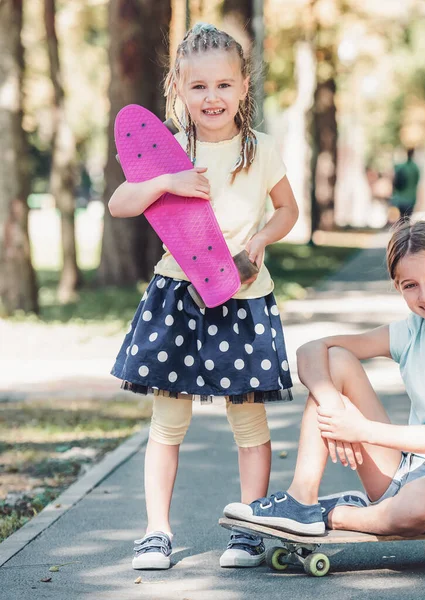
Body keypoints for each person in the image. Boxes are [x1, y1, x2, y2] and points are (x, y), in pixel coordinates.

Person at [108, 23, 299, 569]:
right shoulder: (169, 149)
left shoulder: (260, 150)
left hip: (242, 297)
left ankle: (249, 526)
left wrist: (260, 241)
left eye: (222, 85)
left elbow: (288, 210)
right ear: (177, 89)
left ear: (243, 87)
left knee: (249, 419)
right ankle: (156, 532)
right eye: (198, 88)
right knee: (168, 421)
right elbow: (122, 202)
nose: (211, 97)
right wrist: (167, 184)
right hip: (178, 298)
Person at [224, 220, 425, 540]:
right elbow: (311, 350)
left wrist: (360, 430)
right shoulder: (410, 332)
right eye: (410, 285)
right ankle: (301, 499)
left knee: (419, 505)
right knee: (335, 360)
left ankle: (334, 514)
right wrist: (333, 404)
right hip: (402, 471)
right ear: (397, 286)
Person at [390, 148, 420, 222]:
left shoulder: (400, 167)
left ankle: (402, 231)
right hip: (410, 198)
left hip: (399, 198)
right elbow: (417, 182)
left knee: (401, 219)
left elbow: (393, 179)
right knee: (407, 219)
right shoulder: (415, 168)